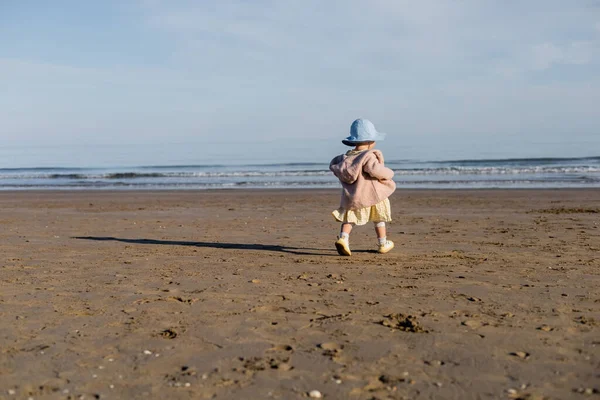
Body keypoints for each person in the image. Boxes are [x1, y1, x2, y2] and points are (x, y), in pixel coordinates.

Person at [329, 118, 396, 256]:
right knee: (379, 219)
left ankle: (343, 238)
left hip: (353, 196)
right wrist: (389, 173)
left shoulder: (346, 158)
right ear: (369, 141)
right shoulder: (368, 157)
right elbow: (375, 170)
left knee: (350, 219)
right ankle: (383, 243)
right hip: (372, 194)